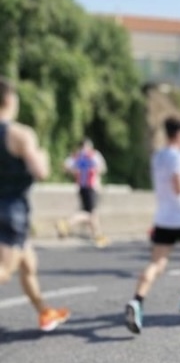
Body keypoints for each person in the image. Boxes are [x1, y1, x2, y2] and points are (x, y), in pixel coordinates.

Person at [124, 117, 180, 335]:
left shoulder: (158, 156)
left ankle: (137, 301)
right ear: (179, 134)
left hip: (163, 217)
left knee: (157, 263)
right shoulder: (178, 158)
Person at [0, 77, 70, 332]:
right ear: (9, 100)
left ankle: (45, 312)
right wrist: (43, 156)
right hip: (11, 209)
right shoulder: (19, 134)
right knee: (5, 271)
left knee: (28, 263)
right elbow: (40, 171)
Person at [58, 138, 109, 248]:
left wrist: (75, 172)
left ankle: (98, 236)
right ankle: (67, 223)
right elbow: (103, 168)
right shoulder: (94, 155)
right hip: (91, 187)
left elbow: (65, 166)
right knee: (89, 214)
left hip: (81, 187)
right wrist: (95, 171)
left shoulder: (76, 156)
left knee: (93, 213)